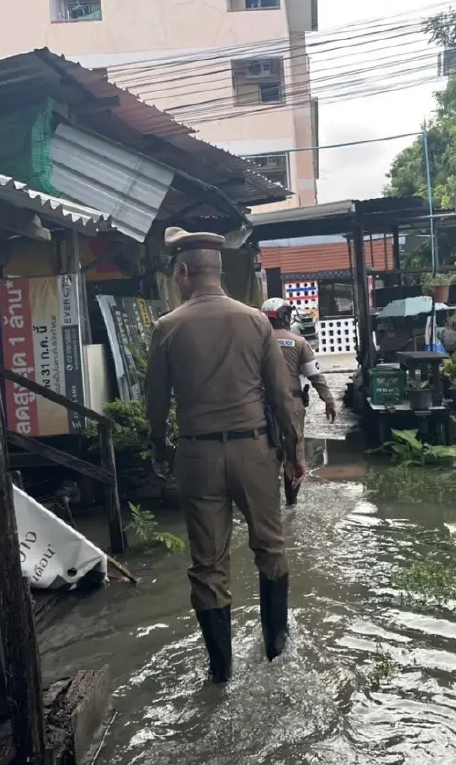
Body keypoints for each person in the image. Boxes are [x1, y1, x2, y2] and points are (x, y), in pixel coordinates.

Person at [145, 228, 305, 683]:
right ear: (218, 271)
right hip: (254, 450)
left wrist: (160, 448)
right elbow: (280, 396)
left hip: (196, 456)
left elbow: (155, 405)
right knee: (270, 549)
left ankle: (221, 675)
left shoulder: (167, 327)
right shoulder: (256, 321)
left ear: (182, 272)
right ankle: (277, 653)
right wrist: (293, 453)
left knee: (208, 566)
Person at [260, 297, 338, 505]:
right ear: (286, 317)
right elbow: (315, 376)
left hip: (259, 406)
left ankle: (267, 504)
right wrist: (328, 400)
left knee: (265, 454)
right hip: (292, 406)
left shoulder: (255, 342)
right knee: (294, 453)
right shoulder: (299, 342)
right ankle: (291, 504)